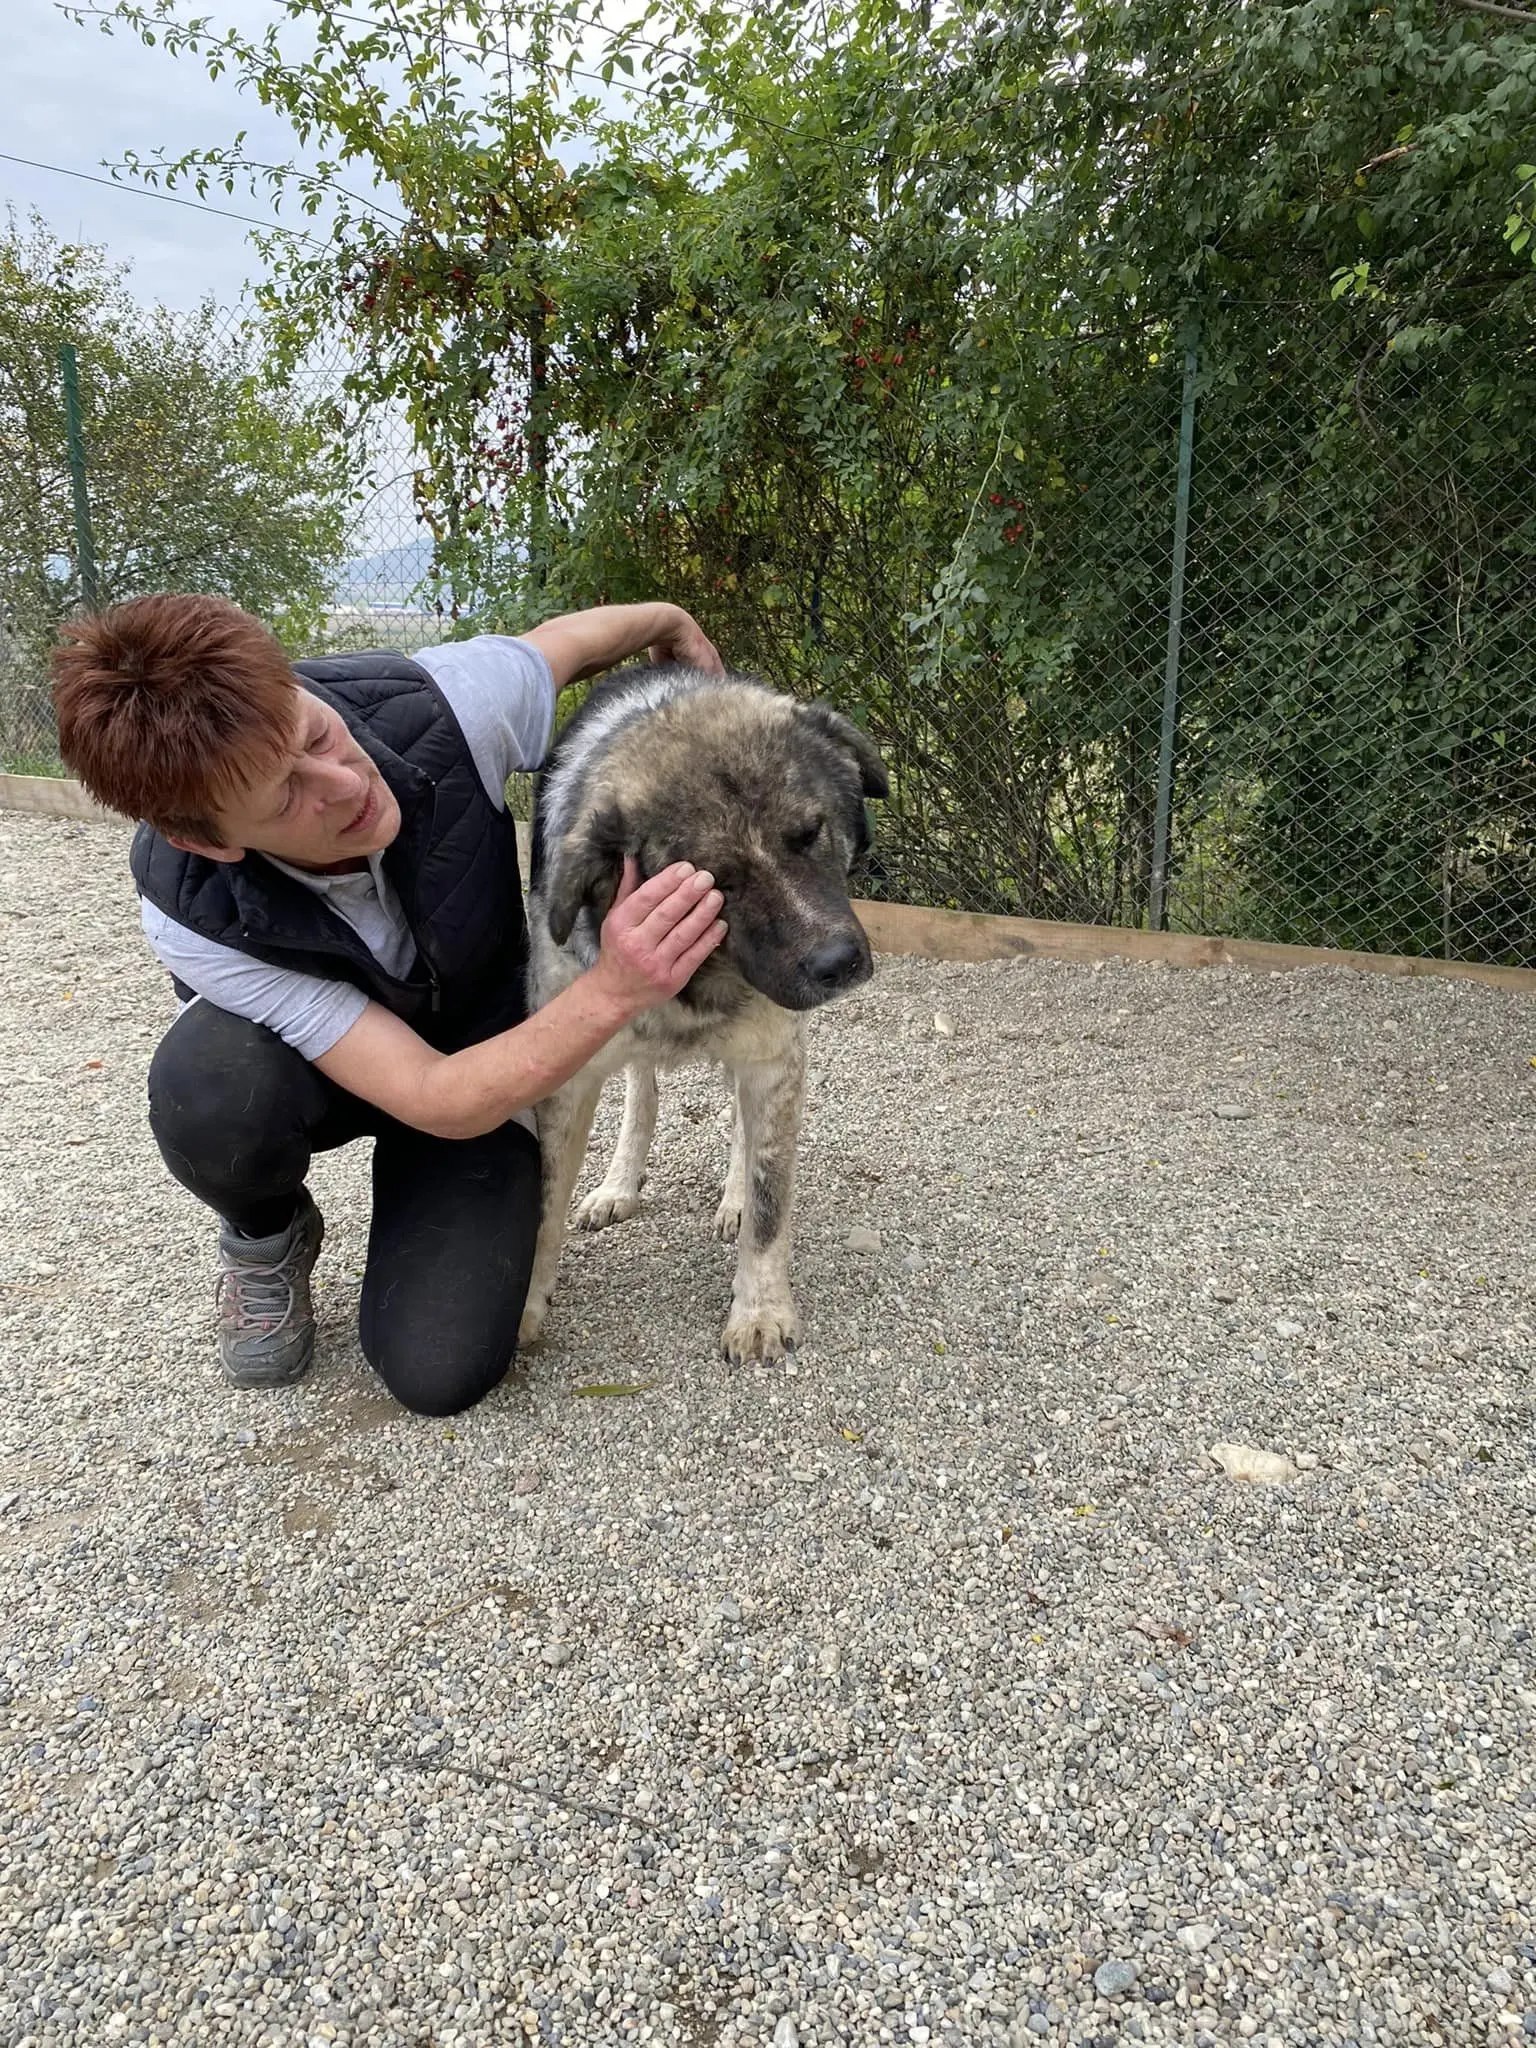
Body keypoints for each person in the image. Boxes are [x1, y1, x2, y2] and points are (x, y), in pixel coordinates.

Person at [50, 594, 729, 1416]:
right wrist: (616, 987)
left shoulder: (447, 702)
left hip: (480, 1041)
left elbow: (568, 644)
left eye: (315, 734)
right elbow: (432, 1096)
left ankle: (429, 1209)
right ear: (208, 840)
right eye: (284, 799)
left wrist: (669, 623)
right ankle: (267, 1233)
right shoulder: (186, 910)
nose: (346, 784)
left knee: (440, 1369)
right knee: (211, 1085)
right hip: (348, 1078)